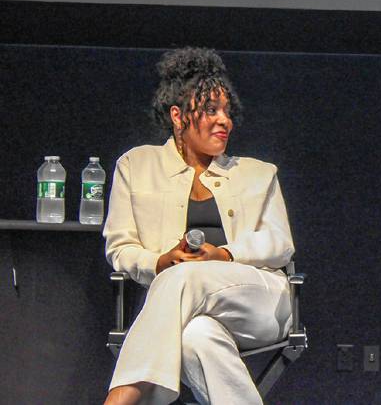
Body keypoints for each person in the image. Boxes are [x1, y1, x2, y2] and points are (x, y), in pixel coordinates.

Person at [103, 48, 295, 405]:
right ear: (178, 116)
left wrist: (223, 254)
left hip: (258, 300)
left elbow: (280, 243)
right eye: (210, 110)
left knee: (183, 277)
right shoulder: (136, 165)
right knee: (197, 338)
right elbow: (120, 247)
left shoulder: (258, 173)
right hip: (185, 309)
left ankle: (121, 398)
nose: (225, 121)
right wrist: (161, 261)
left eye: (227, 111)